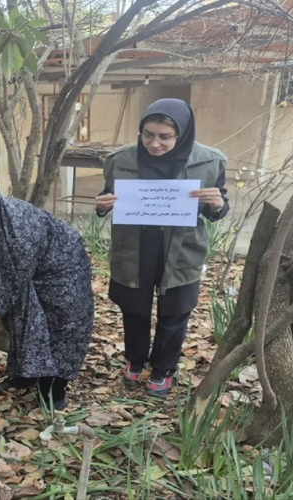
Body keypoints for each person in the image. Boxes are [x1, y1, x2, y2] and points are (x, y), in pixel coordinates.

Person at [95, 98, 229, 397]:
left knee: (176, 309)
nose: (155, 144)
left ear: (181, 133)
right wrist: (103, 205)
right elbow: (109, 195)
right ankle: (135, 359)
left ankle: (164, 368)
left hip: (182, 248)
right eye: (148, 135)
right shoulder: (120, 159)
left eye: (165, 137)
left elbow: (216, 208)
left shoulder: (209, 161)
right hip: (135, 246)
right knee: (133, 307)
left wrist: (218, 205)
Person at [0, 180, 94, 410]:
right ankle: (25, 374)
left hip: (63, 269)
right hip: (29, 267)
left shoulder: (20, 231)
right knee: (22, 324)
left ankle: (54, 390)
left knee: (61, 327)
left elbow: (12, 281)